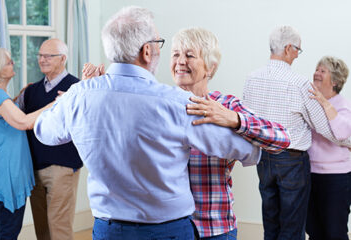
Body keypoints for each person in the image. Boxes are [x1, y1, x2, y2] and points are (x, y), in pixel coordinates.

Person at [33, 6, 261, 240]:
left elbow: (44, 131)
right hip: (168, 231)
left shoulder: (79, 95)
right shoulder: (177, 103)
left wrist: (78, 97)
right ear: (146, 51)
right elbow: (248, 151)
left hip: (108, 231)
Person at [83, 27, 291, 240]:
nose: (180, 61)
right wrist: (100, 95)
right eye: (175, 55)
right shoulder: (158, 104)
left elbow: (281, 139)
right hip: (164, 229)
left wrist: (233, 119)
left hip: (213, 228)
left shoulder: (225, 105)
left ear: (210, 67)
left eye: (189, 55)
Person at [242, 26, 351, 240]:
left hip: (263, 158)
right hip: (291, 161)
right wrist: (347, 140)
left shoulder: (252, 78)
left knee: (271, 221)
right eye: (298, 50)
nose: (297, 55)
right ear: (289, 48)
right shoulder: (298, 83)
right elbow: (323, 127)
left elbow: (247, 119)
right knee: (292, 226)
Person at [15, 39, 83, 240]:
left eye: (48, 56)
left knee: (59, 227)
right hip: (34, 168)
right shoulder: (31, 90)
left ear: (63, 59)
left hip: (62, 167)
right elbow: (14, 118)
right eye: (40, 55)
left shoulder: (76, 88)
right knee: (42, 228)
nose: (42, 59)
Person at [0, 48, 51, 239]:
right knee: (8, 230)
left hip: (3, 168)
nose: (12, 63)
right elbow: (24, 122)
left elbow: (2, 119)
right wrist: (55, 103)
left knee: (6, 226)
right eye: (8, 62)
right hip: (9, 172)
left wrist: (17, 98)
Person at [306, 56, 351, 240]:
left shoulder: (343, 104)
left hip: (336, 178)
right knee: (314, 230)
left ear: (335, 81)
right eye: (317, 69)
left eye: (322, 71)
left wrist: (324, 102)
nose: (316, 73)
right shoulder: (311, 101)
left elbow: (342, 132)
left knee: (334, 232)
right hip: (310, 174)